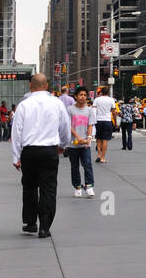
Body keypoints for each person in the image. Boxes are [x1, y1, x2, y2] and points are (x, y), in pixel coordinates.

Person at [11, 73, 71, 239]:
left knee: (29, 186)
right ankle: (45, 226)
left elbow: (16, 132)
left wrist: (16, 156)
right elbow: (66, 127)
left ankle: (30, 222)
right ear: (47, 86)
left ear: (31, 86)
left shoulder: (24, 105)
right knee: (48, 188)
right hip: (49, 151)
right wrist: (63, 146)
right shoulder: (57, 103)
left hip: (29, 151)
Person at [65, 87, 96, 199]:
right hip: (73, 143)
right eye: (81, 95)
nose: (83, 97)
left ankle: (89, 186)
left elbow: (90, 125)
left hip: (85, 144)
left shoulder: (89, 110)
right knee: (75, 166)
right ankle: (77, 187)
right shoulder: (70, 110)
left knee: (87, 164)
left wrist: (88, 138)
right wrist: (78, 137)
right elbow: (68, 125)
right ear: (76, 97)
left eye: (84, 95)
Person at [92, 85, 116, 163]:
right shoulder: (111, 100)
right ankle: (102, 157)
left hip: (98, 120)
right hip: (107, 120)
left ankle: (98, 154)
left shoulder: (97, 99)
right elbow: (113, 111)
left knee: (98, 139)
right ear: (108, 92)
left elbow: (93, 110)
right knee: (105, 139)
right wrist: (115, 121)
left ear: (101, 92)